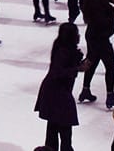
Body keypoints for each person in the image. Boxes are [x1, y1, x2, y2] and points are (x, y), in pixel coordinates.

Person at [34, 23, 86, 151]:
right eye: (76, 33)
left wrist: (78, 65)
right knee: (63, 131)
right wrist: (78, 68)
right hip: (56, 94)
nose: (79, 36)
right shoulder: (63, 51)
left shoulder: (63, 47)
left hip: (55, 93)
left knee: (54, 129)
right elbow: (58, 72)